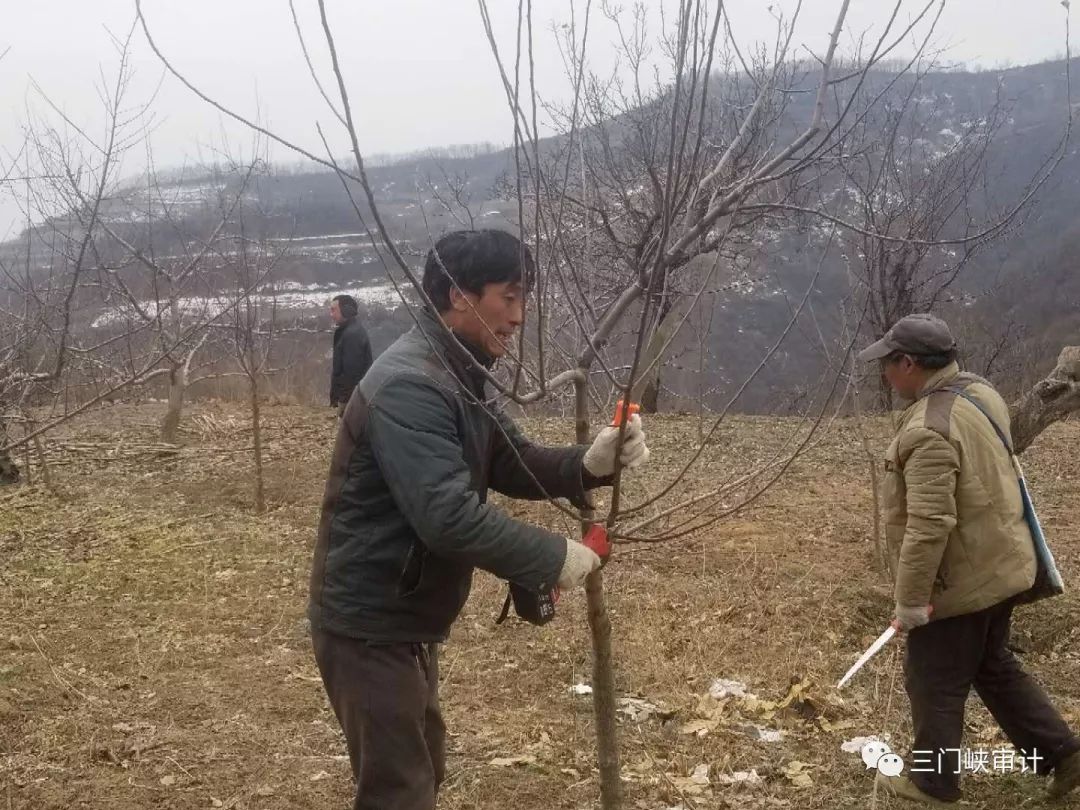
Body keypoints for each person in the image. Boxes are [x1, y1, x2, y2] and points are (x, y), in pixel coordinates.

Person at [308, 229, 650, 810]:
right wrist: (554, 558)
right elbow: (447, 517)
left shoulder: (459, 371)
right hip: (368, 620)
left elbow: (507, 460)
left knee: (421, 767)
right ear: (460, 296)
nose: (519, 316)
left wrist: (590, 464)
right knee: (400, 789)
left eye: (523, 300)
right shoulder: (412, 386)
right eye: (509, 298)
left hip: (404, 613)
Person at [859, 313, 1080, 805]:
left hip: (962, 579)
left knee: (932, 677)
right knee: (992, 665)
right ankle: (1063, 755)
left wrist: (911, 601)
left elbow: (929, 524)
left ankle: (932, 784)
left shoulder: (928, 428)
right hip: (1004, 564)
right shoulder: (980, 392)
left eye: (889, 365)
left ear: (909, 363)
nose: (885, 375)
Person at [329, 294, 373, 414]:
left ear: (346, 311)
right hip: (352, 399)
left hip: (352, 400)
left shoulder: (352, 335)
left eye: (334, 310)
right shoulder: (347, 331)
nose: (331, 315)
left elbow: (351, 375)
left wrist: (343, 403)